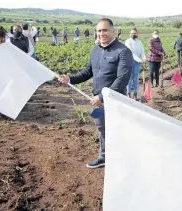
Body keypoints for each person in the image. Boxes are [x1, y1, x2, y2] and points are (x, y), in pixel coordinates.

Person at [58, 18, 133, 168]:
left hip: (114, 100)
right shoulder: (96, 49)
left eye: (105, 30)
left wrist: (102, 97)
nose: (101, 33)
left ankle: (124, 158)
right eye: (99, 31)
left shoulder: (123, 51)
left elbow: (122, 79)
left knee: (117, 129)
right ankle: (104, 156)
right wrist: (70, 78)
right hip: (98, 101)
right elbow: (88, 71)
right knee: (102, 128)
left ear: (113, 31)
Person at [125, 27, 146, 100]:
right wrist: (140, 60)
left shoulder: (139, 42)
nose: (133, 34)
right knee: (129, 78)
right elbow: (131, 53)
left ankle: (135, 94)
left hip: (137, 63)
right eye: (132, 33)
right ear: (130, 34)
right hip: (129, 62)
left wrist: (144, 58)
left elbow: (142, 51)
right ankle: (128, 93)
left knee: (135, 78)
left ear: (137, 34)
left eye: (134, 33)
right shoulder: (128, 42)